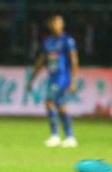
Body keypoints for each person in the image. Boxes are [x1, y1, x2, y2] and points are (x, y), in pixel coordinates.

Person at [27, 14, 79, 148]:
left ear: (62, 25)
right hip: (52, 77)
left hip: (62, 77)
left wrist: (73, 80)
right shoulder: (48, 42)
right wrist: (32, 78)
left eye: (58, 22)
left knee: (49, 103)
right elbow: (42, 60)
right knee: (61, 107)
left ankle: (56, 135)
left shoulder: (67, 40)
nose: (55, 25)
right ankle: (69, 137)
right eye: (53, 23)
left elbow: (74, 61)